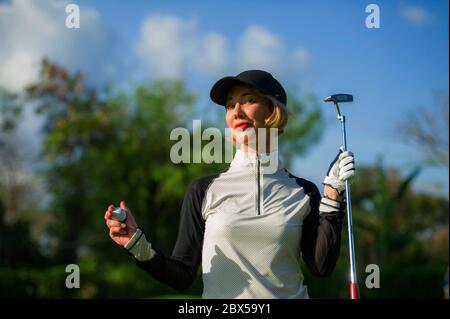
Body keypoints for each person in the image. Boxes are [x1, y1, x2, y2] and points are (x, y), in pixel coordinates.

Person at [104, 70, 356, 299]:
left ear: (272, 110)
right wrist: (136, 244)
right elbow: (181, 276)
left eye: (247, 100)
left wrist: (333, 195)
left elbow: (321, 266)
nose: (236, 112)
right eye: (229, 105)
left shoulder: (304, 191)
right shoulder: (203, 190)